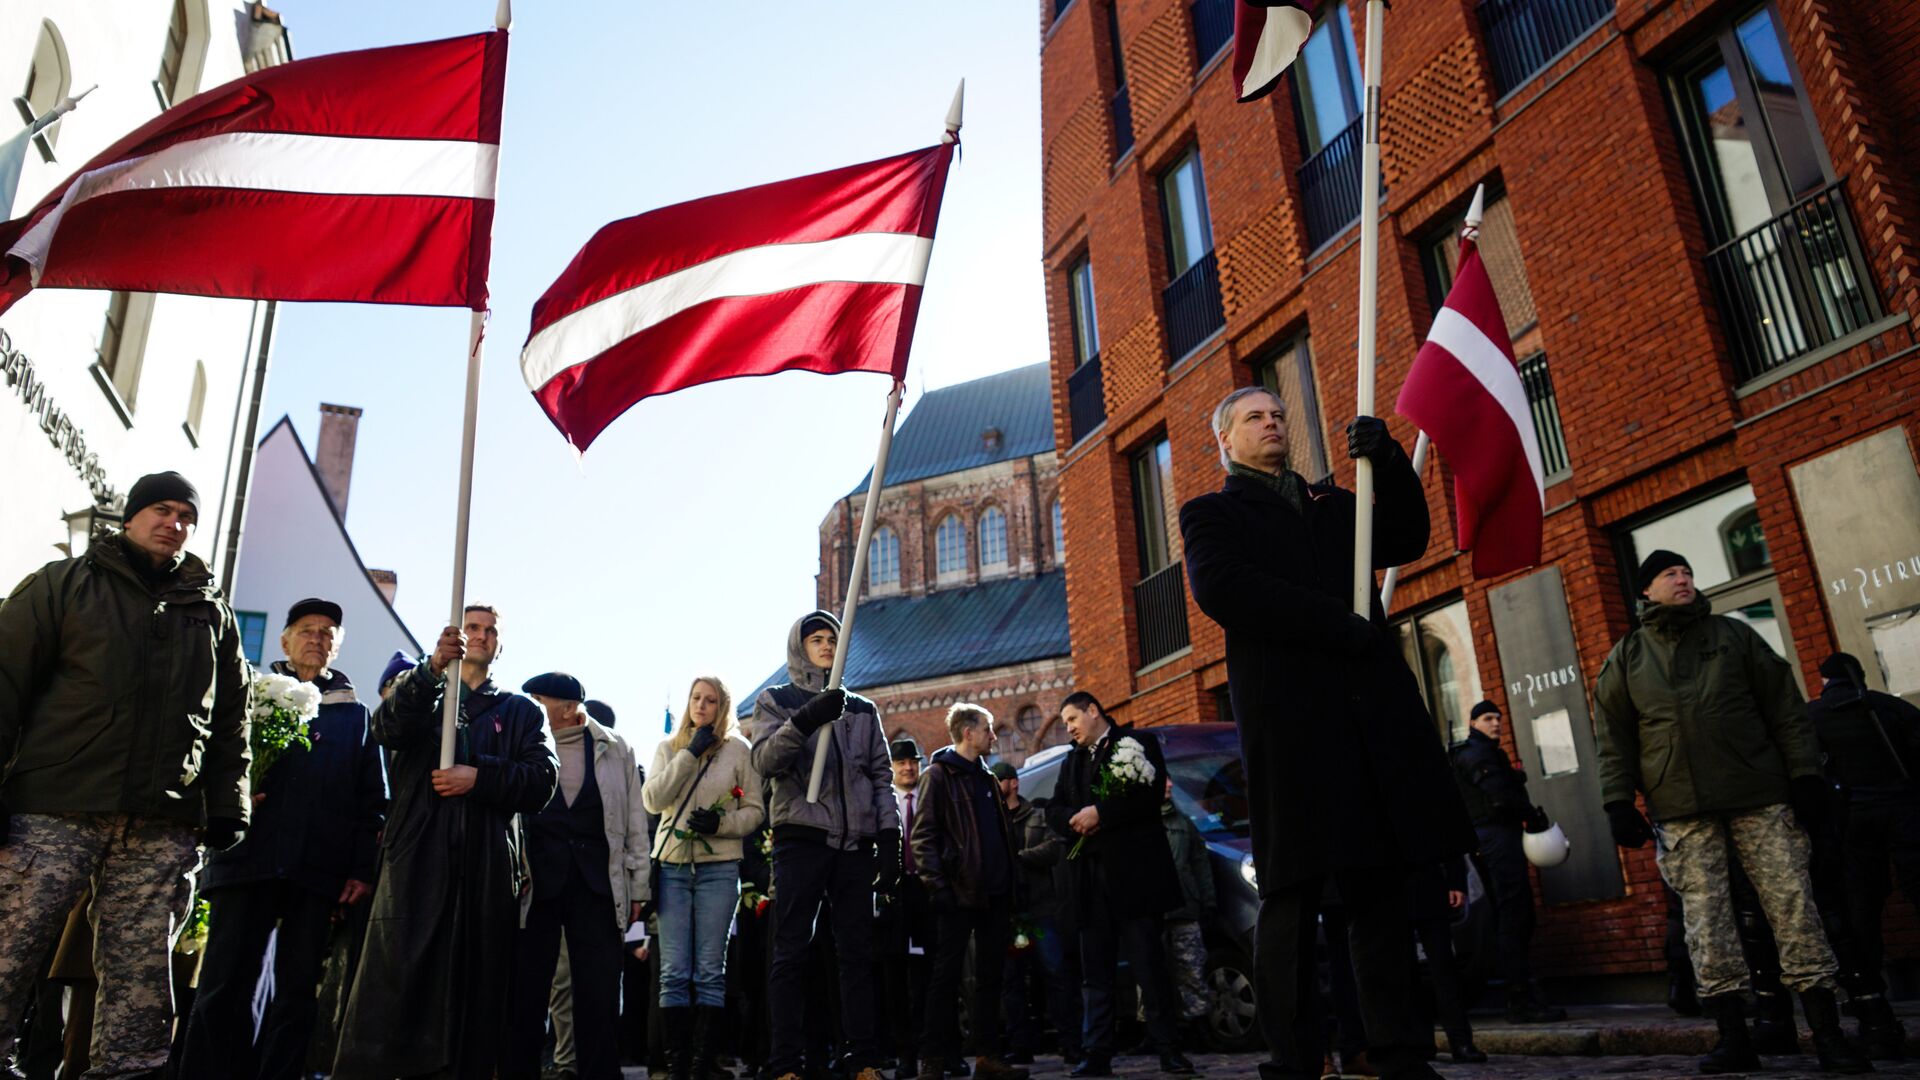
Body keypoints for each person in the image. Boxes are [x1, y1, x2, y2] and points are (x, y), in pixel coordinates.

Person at [1178, 389, 1473, 1080]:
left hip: (1367, 724)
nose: (1273, 423)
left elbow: (1405, 537)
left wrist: (1390, 460)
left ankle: (1398, 1050)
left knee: (1378, 894)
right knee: (1291, 895)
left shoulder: (1333, 505)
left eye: (1278, 414)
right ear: (1226, 440)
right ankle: (1295, 1055)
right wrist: (1334, 624)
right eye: (1255, 417)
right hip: (1291, 733)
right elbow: (1225, 589)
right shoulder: (1212, 514)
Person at [0, 472, 252, 1078]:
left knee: (140, 973)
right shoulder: (62, 586)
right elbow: (5, 685)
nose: (175, 524)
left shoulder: (211, 614)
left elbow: (231, 717)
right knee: (10, 948)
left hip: (160, 822)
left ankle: (127, 1072)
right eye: (162, 510)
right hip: (56, 805)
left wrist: (227, 806)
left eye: (187, 516)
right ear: (131, 518)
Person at [1594, 551, 1868, 1074]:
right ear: (1646, 591)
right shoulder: (1627, 657)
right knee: (1707, 922)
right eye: (1671, 574)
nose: (1683, 579)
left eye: (1688, 573)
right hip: (1681, 809)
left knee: (1794, 908)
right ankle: (1733, 1036)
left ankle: (1829, 1034)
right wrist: (1616, 800)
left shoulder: (1736, 637)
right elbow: (1613, 737)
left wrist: (1804, 774)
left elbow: (1784, 707)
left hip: (1759, 797)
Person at [332, 605, 559, 1080]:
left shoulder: (520, 712)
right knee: (399, 989)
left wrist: (480, 777)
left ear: (500, 645)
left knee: (476, 996)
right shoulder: (425, 696)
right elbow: (386, 729)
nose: (480, 636)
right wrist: (431, 669)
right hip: (415, 865)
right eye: (472, 627)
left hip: (486, 869)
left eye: (490, 630)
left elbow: (542, 781)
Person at [183, 598, 388, 1080]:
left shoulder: (357, 718)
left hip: (315, 871)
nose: (316, 639)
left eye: (327, 633)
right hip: (245, 859)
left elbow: (371, 802)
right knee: (224, 983)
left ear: (337, 647)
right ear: (284, 640)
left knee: (296, 992)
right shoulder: (251, 694)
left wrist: (359, 870)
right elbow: (212, 761)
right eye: (307, 629)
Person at [749, 610, 899, 1080]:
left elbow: (880, 776)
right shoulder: (777, 700)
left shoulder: (862, 710)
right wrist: (808, 718)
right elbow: (765, 760)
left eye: (832, 638)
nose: (827, 645)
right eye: (816, 639)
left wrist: (889, 836)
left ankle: (864, 1058)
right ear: (800, 647)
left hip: (854, 843)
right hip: (802, 836)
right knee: (791, 950)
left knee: (856, 953)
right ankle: (786, 1063)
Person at [500, 672, 648, 1080]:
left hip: (596, 884)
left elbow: (635, 822)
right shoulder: (523, 740)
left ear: (568, 708)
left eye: (539, 700)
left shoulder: (616, 748)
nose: (530, 707)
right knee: (528, 992)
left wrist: (638, 886)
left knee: (598, 993)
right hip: (537, 883)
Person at [1045, 692, 1195, 1078]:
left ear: (1093, 711)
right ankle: (1097, 1053)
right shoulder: (1071, 759)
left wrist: (1102, 814)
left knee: (1150, 967)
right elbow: (1054, 808)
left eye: (1072, 719)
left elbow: (1148, 798)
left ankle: (1169, 1049)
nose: (1069, 728)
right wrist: (1075, 819)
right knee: (1095, 973)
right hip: (1090, 885)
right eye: (1065, 723)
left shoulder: (1138, 744)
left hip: (1134, 877)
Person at [643, 675, 766, 1080]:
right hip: (674, 869)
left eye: (710, 700)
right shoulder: (669, 748)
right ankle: (677, 1066)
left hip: (719, 869)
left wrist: (720, 823)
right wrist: (689, 754)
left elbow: (754, 811)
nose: (701, 706)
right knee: (674, 970)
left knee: (710, 969)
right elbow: (653, 799)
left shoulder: (738, 751)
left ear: (722, 708)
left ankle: (702, 1065)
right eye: (696, 698)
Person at [1809, 651, 1920, 1059]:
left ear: (1824, 680)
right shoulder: (1889, 706)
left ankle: (1869, 993)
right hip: (1905, 811)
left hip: (1852, 819)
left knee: (1862, 908)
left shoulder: (1814, 716)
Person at [908, 705, 1028, 1080]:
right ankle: (932, 1058)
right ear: (967, 732)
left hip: (994, 894)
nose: (994, 737)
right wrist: (938, 886)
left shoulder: (988, 778)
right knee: (946, 979)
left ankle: (988, 1057)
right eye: (988, 730)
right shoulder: (939, 776)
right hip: (957, 895)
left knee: (992, 977)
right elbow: (923, 837)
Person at [1448, 700, 1565, 1023]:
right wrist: (1531, 815)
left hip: (1493, 839)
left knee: (1511, 915)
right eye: (1488, 718)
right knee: (1514, 915)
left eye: (1498, 718)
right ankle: (1521, 1000)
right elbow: (1499, 797)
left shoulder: (1480, 753)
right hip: (1496, 838)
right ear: (1473, 723)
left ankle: (1522, 996)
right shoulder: (1477, 754)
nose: (1496, 723)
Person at [994, 760, 1075, 1067]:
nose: (996, 787)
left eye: (1000, 781)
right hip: (1011, 914)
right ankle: (1021, 1046)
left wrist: (1018, 858)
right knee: (1013, 983)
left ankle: (1070, 1043)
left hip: (1041, 910)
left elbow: (1055, 848)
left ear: (1013, 783)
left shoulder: (1037, 816)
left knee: (1055, 975)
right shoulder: (992, 822)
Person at [882, 737, 937, 1080]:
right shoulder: (884, 803)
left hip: (928, 891)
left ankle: (939, 1051)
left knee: (932, 973)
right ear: (891, 767)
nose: (908, 768)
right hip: (894, 893)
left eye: (913, 762)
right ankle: (904, 1053)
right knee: (894, 975)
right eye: (901, 762)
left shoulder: (930, 800)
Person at [1407, 860, 1483, 1064]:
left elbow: (1447, 834)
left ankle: (1461, 1042)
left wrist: (1456, 881)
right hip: (1393, 892)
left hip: (1428, 884)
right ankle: (1422, 1043)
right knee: (1407, 975)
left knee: (1444, 970)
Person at [1159, 778, 1215, 1036]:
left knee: (1192, 969)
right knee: (1154, 974)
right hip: (1155, 912)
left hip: (1184, 907)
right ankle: (1159, 1031)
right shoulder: (1141, 825)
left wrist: (1208, 900)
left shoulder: (1183, 823)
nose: (1170, 785)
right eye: (1163, 781)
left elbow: (1199, 862)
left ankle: (1198, 1026)